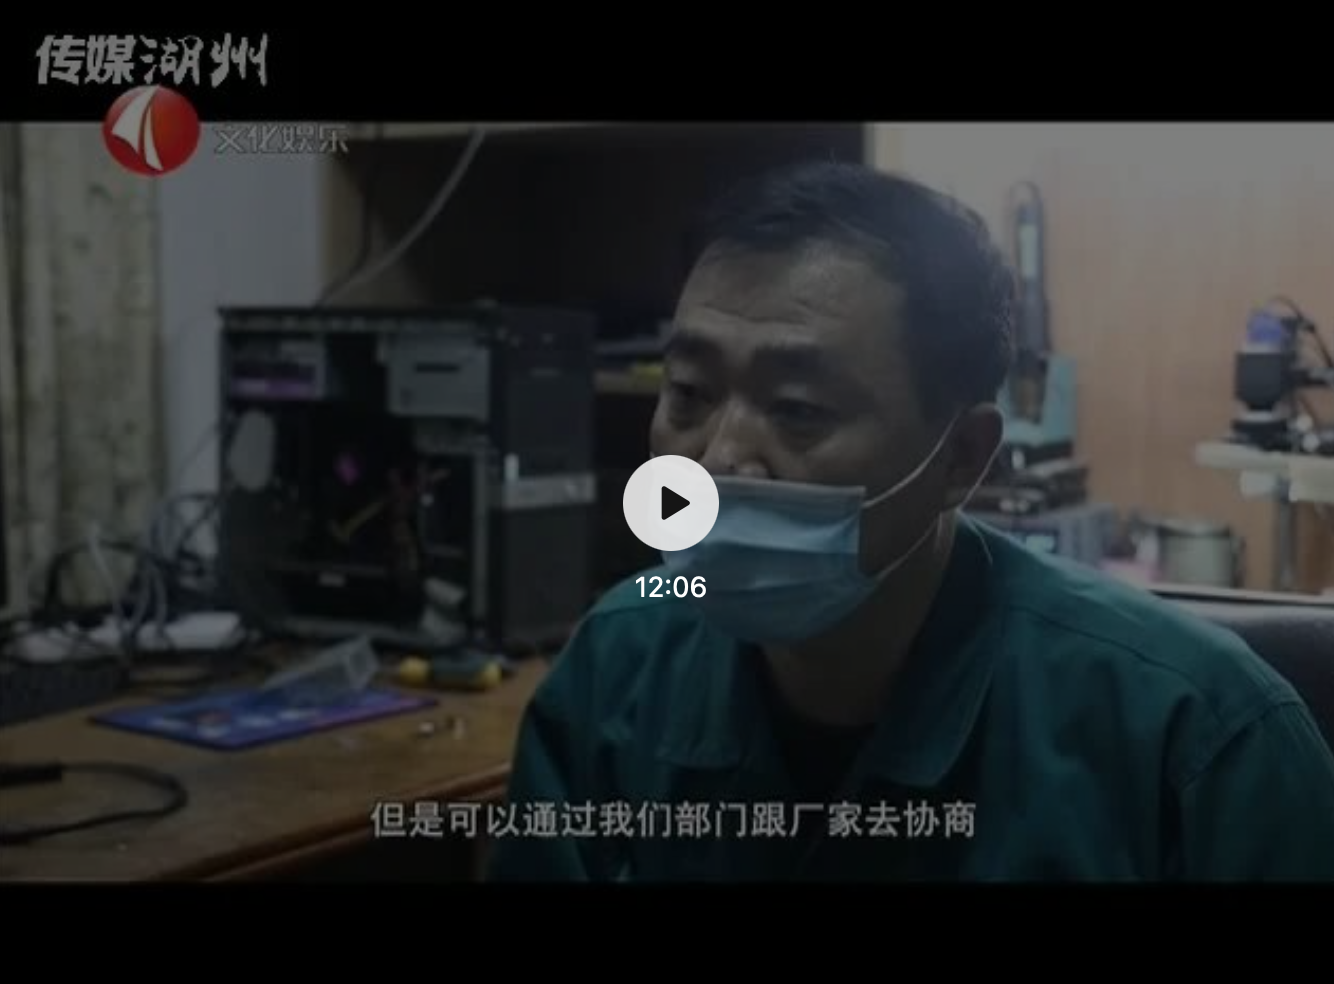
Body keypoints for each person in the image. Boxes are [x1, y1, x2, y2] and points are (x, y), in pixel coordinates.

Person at [488, 160, 1334, 882]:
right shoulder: (616, 670)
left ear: (961, 457)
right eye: (689, 394)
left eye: (799, 407)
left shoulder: (1199, 743)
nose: (718, 458)